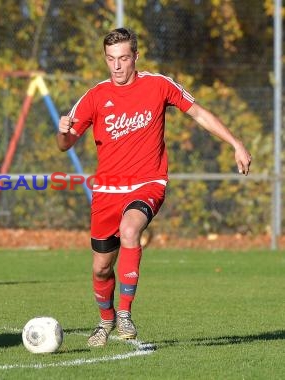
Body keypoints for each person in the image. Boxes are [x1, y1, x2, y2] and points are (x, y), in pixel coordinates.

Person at [57, 28, 252, 347]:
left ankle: (124, 313)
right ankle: (105, 320)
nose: (117, 66)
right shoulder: (95, 96)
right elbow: (65, 144)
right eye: (110, 60)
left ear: (135, 56)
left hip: (148, 183)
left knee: (131, 229)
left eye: (123, 58)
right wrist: (63, 131)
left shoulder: (158, 85)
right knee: (102, 268)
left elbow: (199, 113)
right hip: (106, 191)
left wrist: (236, 142)